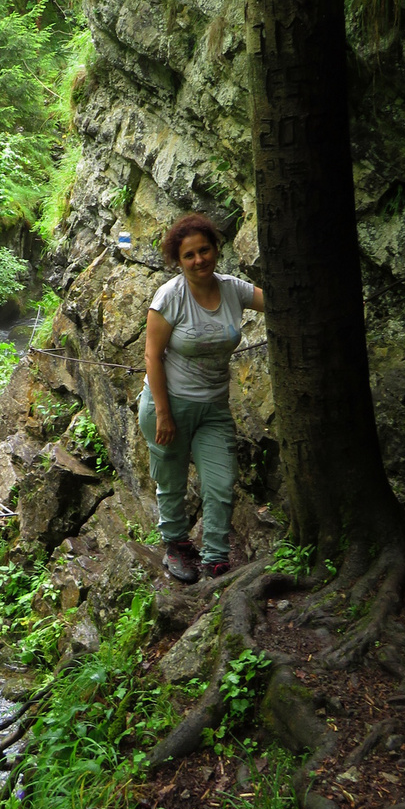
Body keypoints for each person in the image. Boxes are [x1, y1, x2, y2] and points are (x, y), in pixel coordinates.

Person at [138, 213, 264, 583]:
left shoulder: (233, 289)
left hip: (213, 407)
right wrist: (163, 414)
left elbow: (278, 302)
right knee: (172, 481)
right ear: (178, 261)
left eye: (204, 250)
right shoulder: (169, 297)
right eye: (189, 255)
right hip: (169, 404)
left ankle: (216, 558)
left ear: (216, 249)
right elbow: (152, 356)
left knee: (220, 482)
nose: (199, 260)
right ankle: (176, 546)